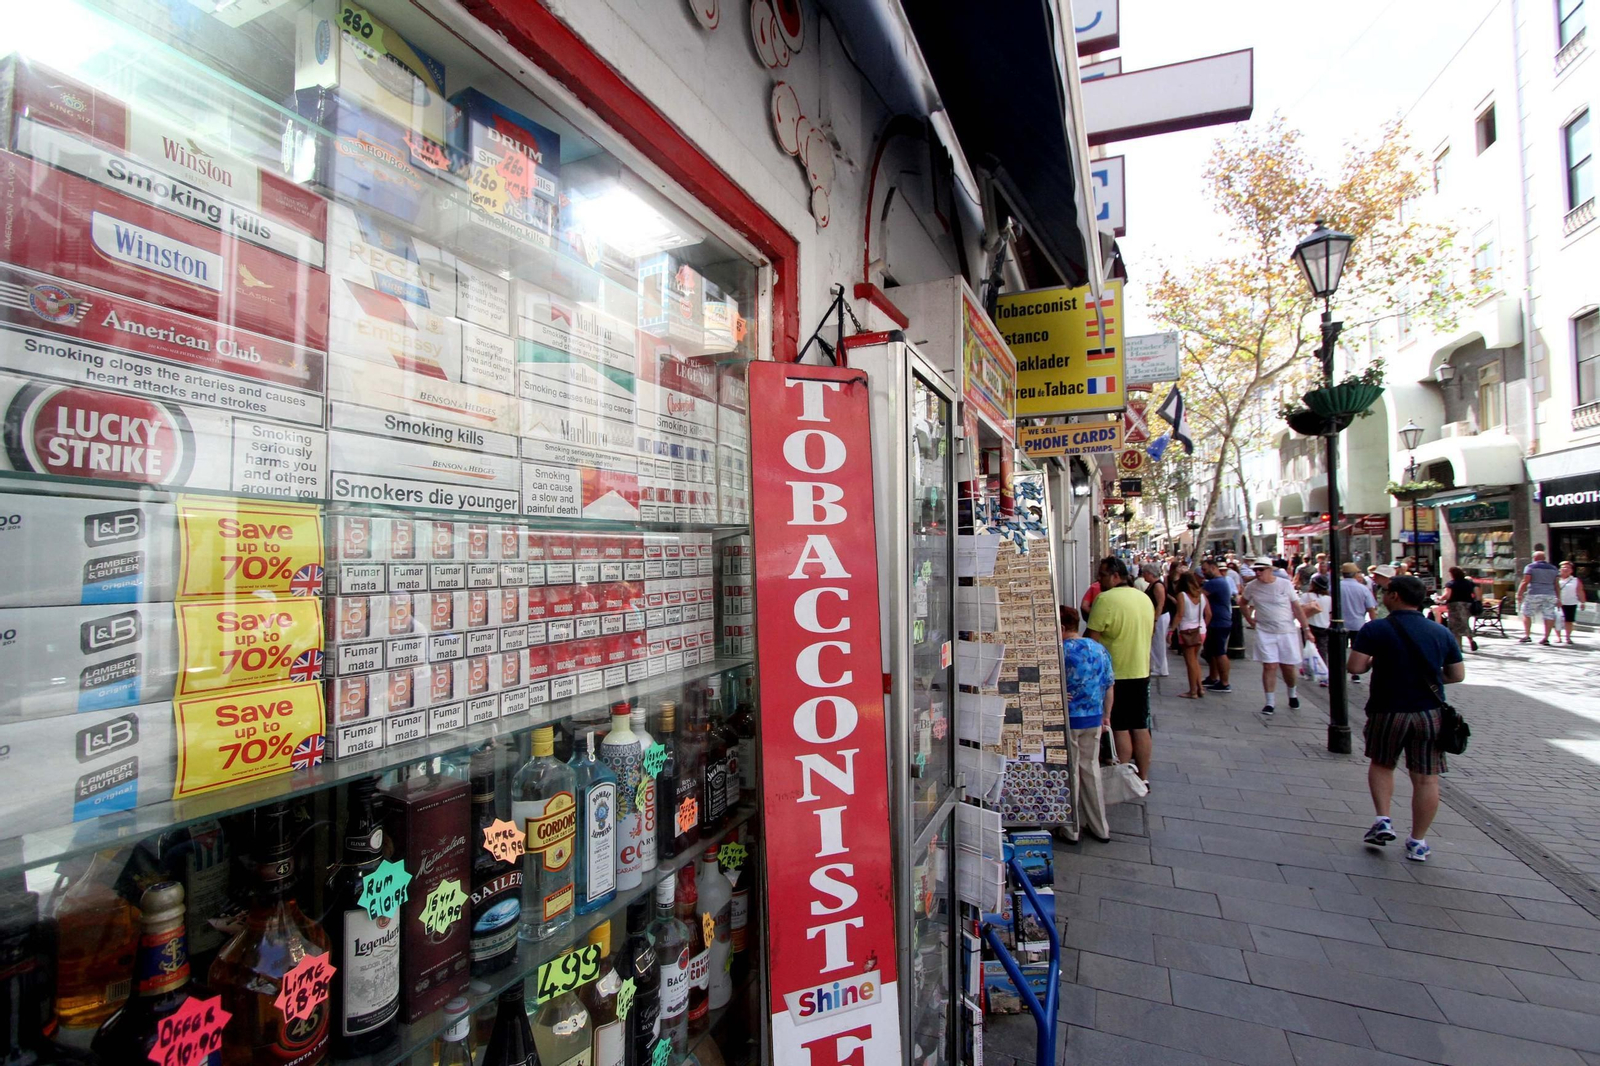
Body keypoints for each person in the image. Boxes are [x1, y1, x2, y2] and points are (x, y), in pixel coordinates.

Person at [1348, 575, 1465, 863]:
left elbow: (1355, 666)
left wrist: (1378, 662)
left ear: (1396, 596)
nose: (1382, 595)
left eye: (1385, 591)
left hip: (1387, 710)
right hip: (1429, 713)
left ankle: (1383, 819)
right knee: (1426, 779)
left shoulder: (1375, 629)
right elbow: (1456, 674)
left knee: (1382, 763)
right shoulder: (1440, 632)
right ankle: (1418, 841)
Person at [1086, 557, 1156, 784]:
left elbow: (1091, 642)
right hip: (1141, 671)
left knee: (1120, 727)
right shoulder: (1144, 598)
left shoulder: (1105, 599)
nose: (1099, 579)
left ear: (1116, 575)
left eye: (1103, 574)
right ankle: (1143, 778)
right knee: (1140, 726)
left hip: (1116, 674)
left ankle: (1124, 779)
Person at [1059, 605, 1114, 844]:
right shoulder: (1098, 649)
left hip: (1069, 719)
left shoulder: (1061, 651)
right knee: (1091, 770)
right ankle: (1100, 826)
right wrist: (1106, 716)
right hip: (1093, 717)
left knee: (1070, 770)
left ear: (1061, 628)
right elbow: (1110, 685)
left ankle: (1071, 828)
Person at [1239, 562, 1311, 717]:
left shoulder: (1284, 585)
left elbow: (1297, 608)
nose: (1258, 573)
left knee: (1287, 667)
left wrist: (1306, 629)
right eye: (1255, 570)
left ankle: (1292, 693)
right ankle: (1270, 702)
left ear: (1270, 570)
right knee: (1269, 666)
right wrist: (1249, 620)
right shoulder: (1252, 586)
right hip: (1265, 631)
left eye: (1261, 570)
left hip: (1286, 631)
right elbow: (1242, 603)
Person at [1173, 571, 1210, 698]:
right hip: (1201, 630)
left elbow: (1180, 614)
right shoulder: (1202, 595)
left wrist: (1171, 630)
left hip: (1187, 631)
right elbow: (1209, 614)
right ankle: (1200, 687)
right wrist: (1203, 625)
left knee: (1190, 662)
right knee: (1195, 660)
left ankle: (1193, 691)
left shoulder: (1182, 595)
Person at [1340, 563, 1378, 683]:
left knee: (1340, 649)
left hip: (1340, 624)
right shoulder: (1363, 588)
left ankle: (1340, 671)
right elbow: (1371, 609)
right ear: (1355, 574)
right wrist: (1375, 625)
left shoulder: (1336, 586)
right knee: (1356, 649)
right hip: (1358, 624)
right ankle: (1355, 674)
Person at [1200, 558, 1234, 692]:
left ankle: (1224, 682)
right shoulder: (1218, 582)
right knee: (1212, 652)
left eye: (1205, 569)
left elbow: (1198, 595)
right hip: (1217, 621)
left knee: (1219, 652)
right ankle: (1213, 677)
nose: (1203, 572)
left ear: (1214, 568)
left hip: (1219, 622)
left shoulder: (1215, 583)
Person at [1517, 550, 1562, 645]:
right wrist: (1559, 598)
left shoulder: (1530, 567)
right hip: (1550, 594)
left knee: (1527, 613)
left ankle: (1527, 635)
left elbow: (1525, 581)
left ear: (1534, 558)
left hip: (1534, 593)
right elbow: (1556, 584)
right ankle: (1546, 638)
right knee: (1549, 615)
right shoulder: (1554, 568)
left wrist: (1519, 593)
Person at [1300, 574, 1333, 686]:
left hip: (1310, 626)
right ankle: (1324, 675)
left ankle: (1309, 671)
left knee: (1308, 649)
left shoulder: (1307, 596)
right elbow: (1330, 613)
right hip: (1324, 627)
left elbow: (1300, 610)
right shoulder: (1329, 599)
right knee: (1322, 651)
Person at [1441, 566, 1480, 652]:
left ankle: (1459, 647)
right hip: (1468, 605)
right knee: (1464, 623)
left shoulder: (1451, 584)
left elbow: (1447, 596)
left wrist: (1440, 598)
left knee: (1455, 627)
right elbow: (1477, 591)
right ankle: (1471, 640)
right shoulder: (1469, 583)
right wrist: (1477, 601)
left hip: (1455, 606)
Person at [1141, 563, 1170, 680]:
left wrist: (1155, 619)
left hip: (1160, 617)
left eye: (1144, 573)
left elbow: (1160, 603)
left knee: (1158, 642)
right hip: (1156, 616)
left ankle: (1161, 667)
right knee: (1154, 643)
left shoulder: (1157, 586)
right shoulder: (1152, 585)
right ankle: (1158, 666)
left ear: (1149, 574)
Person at [1558, 561, 1587, 645]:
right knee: (1557, 620)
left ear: (1571, 570)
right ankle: (1558, 637)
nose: (1566, 569)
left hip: (1570, 603)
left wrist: (1582, 602)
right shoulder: (1556, 579)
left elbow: (1580, 591)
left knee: (1569, 621)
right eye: (1564, 567)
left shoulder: (1575, 580)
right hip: (1557, 603)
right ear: (1560, 569)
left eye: (1568, 568)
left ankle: (1568, 637)